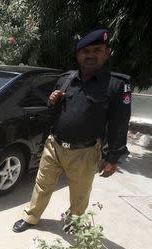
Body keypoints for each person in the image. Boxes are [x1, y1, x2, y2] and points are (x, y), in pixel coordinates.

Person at [12, 29, 132, 233]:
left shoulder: (116, 85)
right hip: (55, 145)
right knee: (42, 184)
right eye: (85, 51)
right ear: (78, 55)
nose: (91, 55)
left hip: (84, 152)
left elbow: (120, 123)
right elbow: (55, 113)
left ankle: (73, 221)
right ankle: (31, 217)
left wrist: (113, 157)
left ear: (106, 53)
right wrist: (52, 102)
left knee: (79, 193)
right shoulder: (66, 79)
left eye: (97, 50)